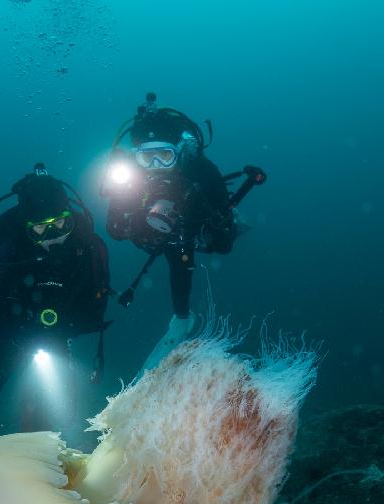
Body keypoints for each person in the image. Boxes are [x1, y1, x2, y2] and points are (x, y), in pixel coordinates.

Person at [101, 92, 265, 372]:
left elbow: (222, 239)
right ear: (135, 156)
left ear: (178, 152)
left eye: (164, 156)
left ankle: (182, 317)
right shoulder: (130, 177)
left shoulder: (199, 169)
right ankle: (181, 317)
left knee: (201, 250)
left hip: (189, 227)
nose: (155, 165)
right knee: (171, 249)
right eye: (146, 158)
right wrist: (133, 225)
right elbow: (115, 227)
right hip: (153, 232)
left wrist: (215, 222)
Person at [0, 165, 111, 448]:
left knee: (59, 409)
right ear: (27, 229)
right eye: (40, 229)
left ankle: (50, 461)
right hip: (12, 331)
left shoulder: (87, 246)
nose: (52, 235)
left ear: (70, 219)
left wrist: (69, 323)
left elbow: (97, 303)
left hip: (59, 332)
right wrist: (16, 321)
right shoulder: (8, 252)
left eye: (60, 224)